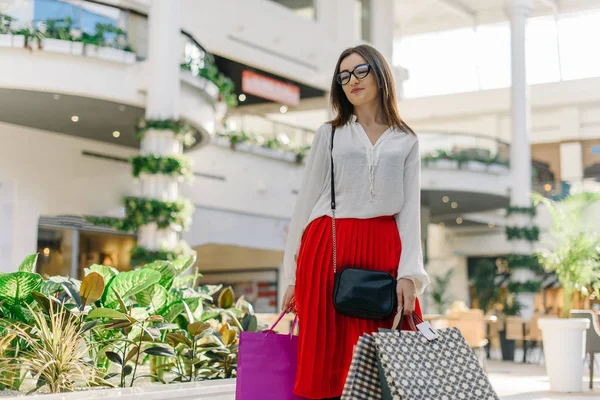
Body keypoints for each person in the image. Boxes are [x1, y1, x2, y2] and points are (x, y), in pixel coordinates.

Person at [281, 44, 430, 400]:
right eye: (344, 76)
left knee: (387, 362)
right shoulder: (330, 133)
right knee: (328, 360)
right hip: (328, 248)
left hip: (383, 247)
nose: (352, 81)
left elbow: (409, 211)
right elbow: (304, 205)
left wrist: (410, 273)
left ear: (380, 74)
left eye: (360, 71)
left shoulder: (406, 139)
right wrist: (290, 275)